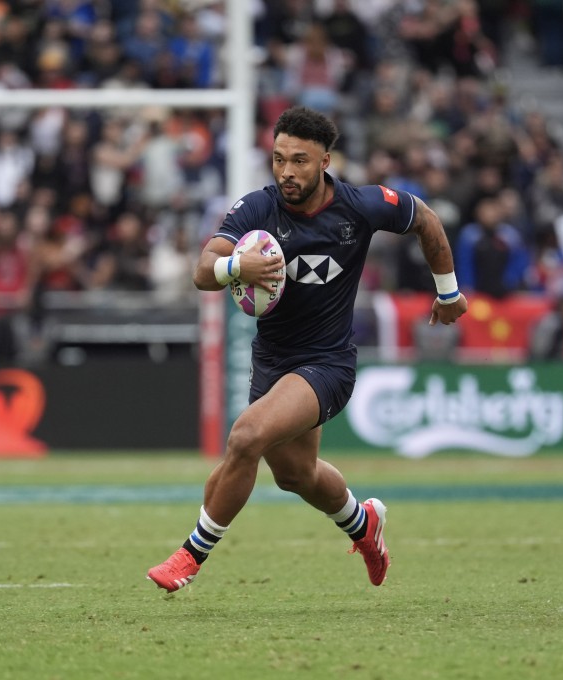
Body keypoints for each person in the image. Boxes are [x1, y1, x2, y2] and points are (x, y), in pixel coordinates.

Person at [147, 106, 468, 592]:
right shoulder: (258, 207)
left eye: (299, 161)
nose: (286, 172)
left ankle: (189, 558)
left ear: (325, 162)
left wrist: (447, 293)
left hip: (327, 364)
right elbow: (201, 270)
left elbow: (425, 219)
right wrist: (237, 267)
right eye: (278, 159)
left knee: (245, 438)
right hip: (272, 362)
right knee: (295, 475)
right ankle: (364, 525)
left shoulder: (360, 205)